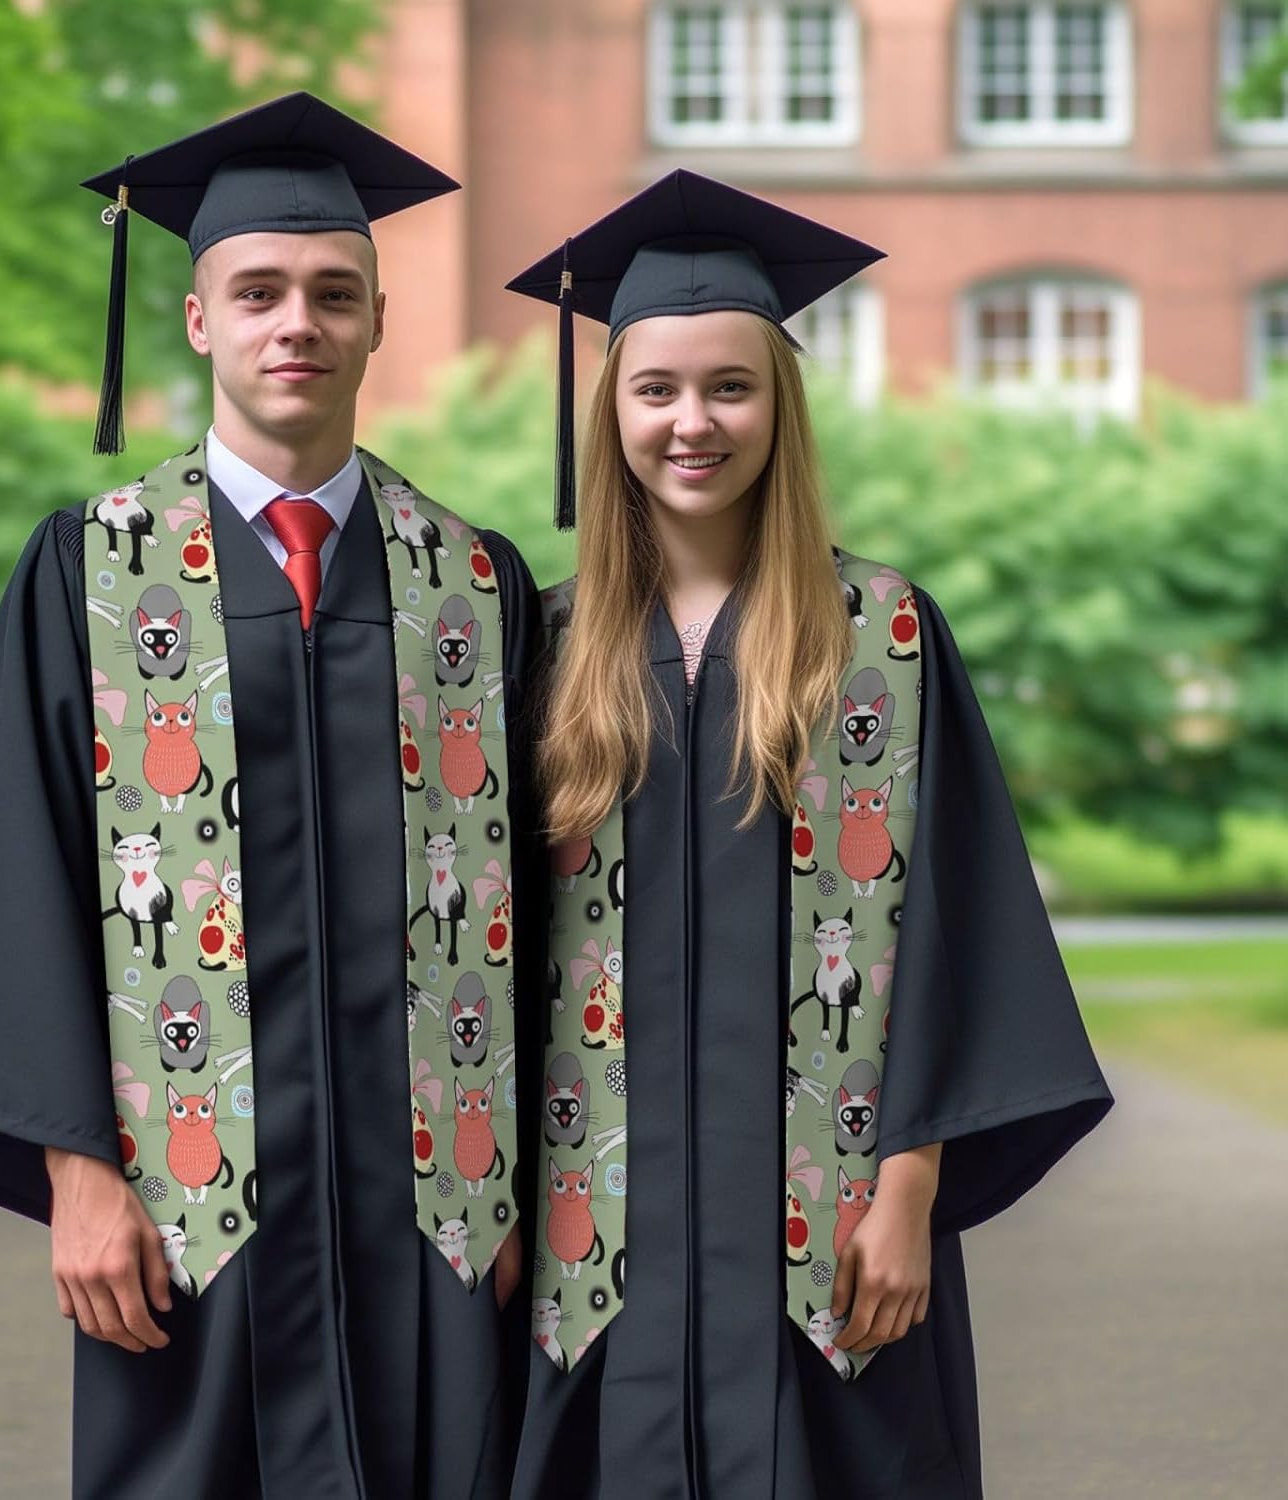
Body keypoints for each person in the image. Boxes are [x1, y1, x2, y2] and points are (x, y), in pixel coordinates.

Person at [0, 92, 540, 1500]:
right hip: (193, 1218)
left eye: (332, 293)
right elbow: (18, 876)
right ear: (199, 320)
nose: (295, 323)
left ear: (378, 320)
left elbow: (546, 908)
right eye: (258, 293)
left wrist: (524, 1189)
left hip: (436, 1218)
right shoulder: (92, 570)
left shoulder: (474, 585)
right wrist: (75, 1173)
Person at [504, 170, 1114, 1499]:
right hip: (591, 1249)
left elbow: (957, 925)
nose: (693, 422)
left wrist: (909, 1190)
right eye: (657, 389)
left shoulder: (879, 637)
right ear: (610, 412)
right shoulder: (539, 646)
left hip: (829, 1240)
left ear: (781, 408)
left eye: (731, 387)